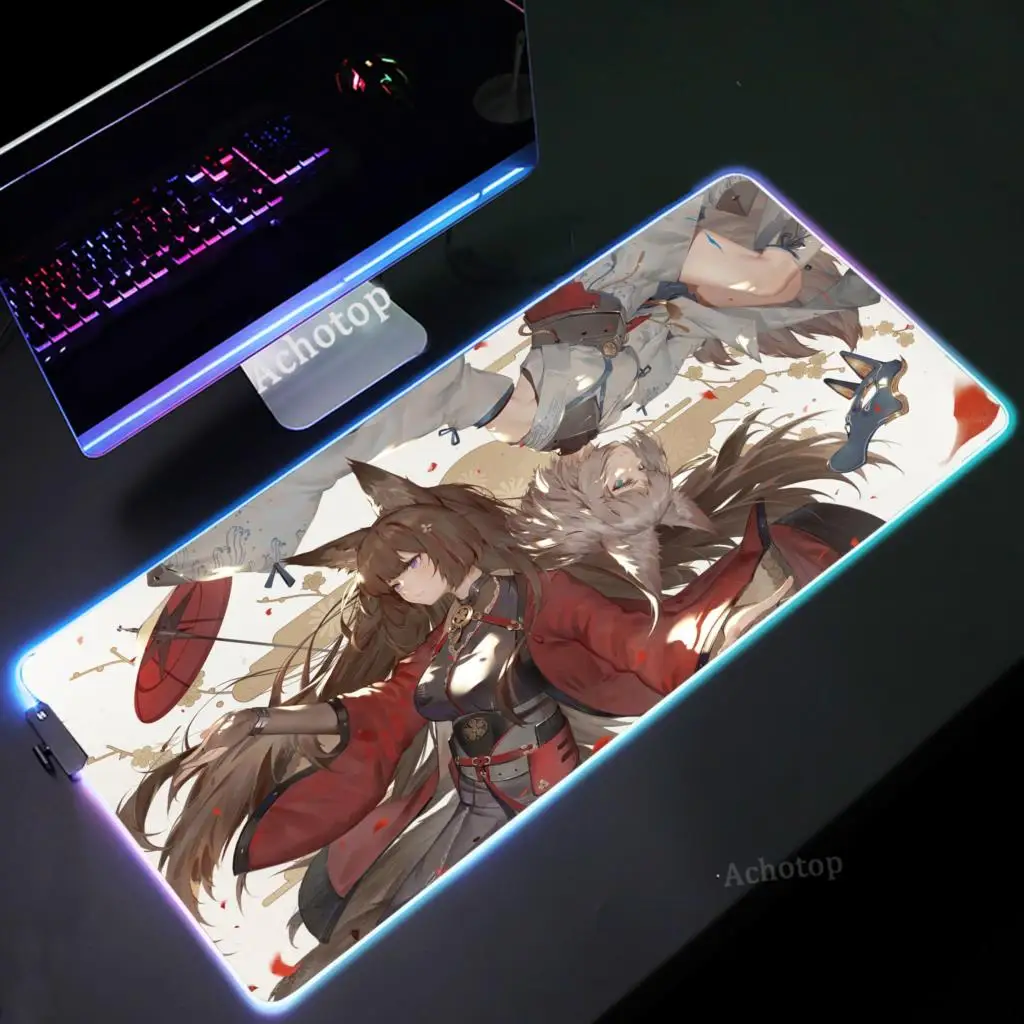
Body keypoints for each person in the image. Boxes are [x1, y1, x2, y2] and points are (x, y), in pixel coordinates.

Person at [121, 420, 885, 999]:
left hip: (542, 796)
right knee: (374, 926)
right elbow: (383, 712)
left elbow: (634, 646)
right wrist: (264, 723)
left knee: (422, 939)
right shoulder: (445, 634)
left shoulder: (546, 595)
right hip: (475, 803)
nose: (402, 590)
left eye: (406, 570)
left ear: (444, 548)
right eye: (392, 582)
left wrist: (712, 645)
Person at [154, 174, 879, 584]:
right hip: (538, 332)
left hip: (528, 379)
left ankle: (247, 525)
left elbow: (724, 297)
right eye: (639, 482)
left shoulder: (612, 373)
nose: (629, 477)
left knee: (384, 398)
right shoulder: (654, 281)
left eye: (621, 491)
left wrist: (765, 267)